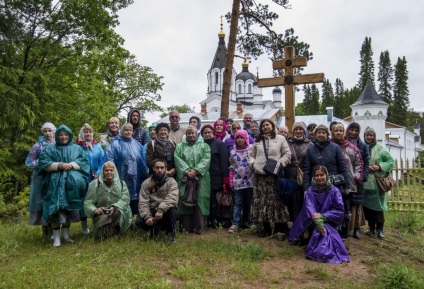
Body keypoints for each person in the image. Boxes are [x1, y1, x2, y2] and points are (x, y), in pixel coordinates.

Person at [38, 124, 90, 247]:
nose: (63, 137)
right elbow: (43, 162)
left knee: (69, 209)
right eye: (61, 134)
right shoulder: (50, 149)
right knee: (56, 209)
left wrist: (72, 164)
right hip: (54, 186)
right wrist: (59, 165)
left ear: (70, 135)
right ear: (57, 136)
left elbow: (84, 162)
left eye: (66, 134)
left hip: (71, 187)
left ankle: (66, 235)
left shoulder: (77, 148)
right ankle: (56, 238)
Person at [289, 165, 350, 264]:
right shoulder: (310, 191)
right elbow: (309, 207)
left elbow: (339, 209)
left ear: (326, 175)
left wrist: (323, 216)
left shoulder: (334, 190)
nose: (319, 178)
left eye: (322, 175)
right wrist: (318, 220)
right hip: (314, 220)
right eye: (317, 175)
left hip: (329, 220)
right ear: (314, 177)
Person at [248, 119, 291, 240]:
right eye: (263, 125)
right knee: (262, 201)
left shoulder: (280, 139)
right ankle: (266, 228)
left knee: (277, 201)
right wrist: (253, 164)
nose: (266, 127)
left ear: (272, 126)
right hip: (260, 176)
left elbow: (287, 155)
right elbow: (251, 156)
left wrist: (279, 165)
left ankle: (279, 229)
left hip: (274, 176)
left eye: (268, 125)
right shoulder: (257, 140)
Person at [100, 123, 148, 216]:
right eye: (126, 130)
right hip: (122, 176)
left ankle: (136, 219)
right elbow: (109, 159)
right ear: (122, 131)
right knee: (123, 196)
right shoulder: (115, 143)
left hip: (136, 176)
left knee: (136, 197)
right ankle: (124, 219)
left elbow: (143, 158)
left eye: (130, 130)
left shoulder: (136, 144)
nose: (128, 132)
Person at [174, 125, 211, 234]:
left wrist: (196, 171)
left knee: (200, 201)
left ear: (197, 134)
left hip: (201, 178)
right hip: (185, 177)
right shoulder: (180, 146)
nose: (191, 135)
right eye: (188, 133)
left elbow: (206, 159)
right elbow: (177, 159)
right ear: (186, 134)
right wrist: (187, 171)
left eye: (193, 133)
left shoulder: (204, 146)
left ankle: (199, 227)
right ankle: (185, 227)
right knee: (185, 199)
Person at [331, 123, 364, 239]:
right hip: (333, 183)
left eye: (341, 130)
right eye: (336, 130)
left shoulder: (352, 148)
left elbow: (359, 163)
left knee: (346, 206)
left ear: (344, 132)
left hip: (348, 182)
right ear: (332, 132)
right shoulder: (329, 146)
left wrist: (356, 175)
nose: (339, 133)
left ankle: (345, 231)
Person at [84, 162, 132, 239]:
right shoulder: (96, 184)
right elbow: (88, 202)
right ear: (103, 171)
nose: (109, 172)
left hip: (118, 213)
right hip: (102, 214)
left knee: (117, 213)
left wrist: (114, 207)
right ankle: (108, 231)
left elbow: (125, 199)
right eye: (106, 170)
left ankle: (111, 230)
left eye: (111, 170)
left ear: (114, 171)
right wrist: (95, 210)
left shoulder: (121, 184)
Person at [362, 127, 395, 239]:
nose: (369, 137)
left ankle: (380, 230)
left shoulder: (381, 149)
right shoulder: (362, 147)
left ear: (374, 137)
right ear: (364, 136)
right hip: (366, 183)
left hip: (377, 183)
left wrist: (379, 166)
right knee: (368, 207)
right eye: (367, 135)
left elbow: (391, 162)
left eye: (371, 135)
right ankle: (371, 228)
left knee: (378, 208)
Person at [137, 158, 179, 243]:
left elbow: (173, 197)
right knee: (139, 221)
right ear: (153, 168)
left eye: (162, 167)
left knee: (173, 211)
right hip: (152, 210)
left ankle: (171, 235)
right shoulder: (146, 183)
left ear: (166, 169)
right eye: (157, 167)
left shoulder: (172, 182)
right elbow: (143, 201)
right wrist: (147, 216)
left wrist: (161, 210)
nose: (159, 170)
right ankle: (154, 229)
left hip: (165, 211)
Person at [26, 122, 56, 238]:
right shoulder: (37, 146)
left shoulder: (57, 144)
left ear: (53, 131)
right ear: (43, 132)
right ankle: (45, 232)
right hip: (40, 179)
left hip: (54, 178)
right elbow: (29, 162)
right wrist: (43, 163)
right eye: (45, 131)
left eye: (50, 131)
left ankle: (54, 230)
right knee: (42, 204)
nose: (48, 133)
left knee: (52, 202)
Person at [303, 124, 350, 194]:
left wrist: (347, 186)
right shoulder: (310, 150)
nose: (321, 134)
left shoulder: (335, 147)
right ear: (315, 134)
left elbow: (343, 167)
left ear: (327, 134)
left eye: (323, 133)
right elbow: (307, 170)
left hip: (334, 186)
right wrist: (306, 189)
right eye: (319, 132)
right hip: (316, 188)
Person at [76, 123, 105, 234]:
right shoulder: (78, 146)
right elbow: (76, 160)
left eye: (90, 132)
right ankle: (84, 228)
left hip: (96, 177)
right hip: (82, 177)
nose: (88, 134)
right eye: (86, 132)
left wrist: (98, 172)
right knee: (83, 200)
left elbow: (103, 160)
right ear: (82, 133)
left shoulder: (97, 145)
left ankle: (97, 225)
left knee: (96, 200)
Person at [201, 124, 230, 228]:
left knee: (215, 200)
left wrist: (225, 178)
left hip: (216, 176)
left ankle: (215, 220)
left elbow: (224, 162)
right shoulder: (201, 145)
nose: (208, 134)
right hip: (204, 177)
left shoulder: (219, 144)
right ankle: (207, 220)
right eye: (205, 133)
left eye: (209, 132)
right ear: (202, 135)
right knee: (207, 199)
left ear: (213, 133)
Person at [346, 122, 370, 238]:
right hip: (345, 178)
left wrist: (363, 176)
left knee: (357, 204)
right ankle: (347, 227)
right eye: (351, 130)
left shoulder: (363, 146)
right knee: (347, 203)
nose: (353, 132)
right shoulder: (343, 144)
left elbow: (366, 163)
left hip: (357, 179)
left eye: (356, 130)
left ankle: (356, 228)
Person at [285, 122, 313, 222]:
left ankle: (303, 224)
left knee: (303, 201)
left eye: (300, 129)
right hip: (290, 176)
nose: (298, 131)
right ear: (293, 131)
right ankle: (293, 225)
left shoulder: (310, 144)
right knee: (292, 202)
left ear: (304, 130)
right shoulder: (287, 143)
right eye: (296, 129)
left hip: (304, 177)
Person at [228, 129, 254, 233]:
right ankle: (235, 223)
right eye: (237, 138)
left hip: (250, 181)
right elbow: (231, 168)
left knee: (249, 202)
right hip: (238, 182)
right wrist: (230, 181)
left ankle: (248, 222)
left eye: (241, 138)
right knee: (238, 203)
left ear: (246, 138)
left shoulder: (252, 149)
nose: (239, 140)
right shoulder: (232, 151)